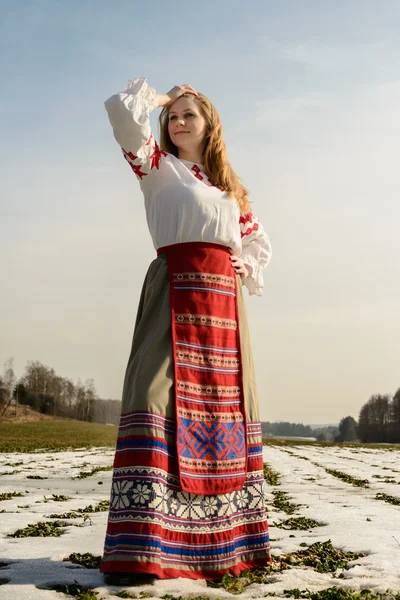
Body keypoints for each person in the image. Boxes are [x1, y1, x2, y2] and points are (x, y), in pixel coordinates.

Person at [100, 78, 273, 584]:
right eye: (172, 117)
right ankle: (147, 547)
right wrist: (161, 96)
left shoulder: (228, 189)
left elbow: (257, 238)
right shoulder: (156, 167)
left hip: (221, 305)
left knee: (225, 407)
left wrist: (243, 262)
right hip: (173, 289)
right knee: (155, 394)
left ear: (209, 124)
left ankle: (222, 547)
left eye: (188, 115)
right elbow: (120, 110)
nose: (177, 122)